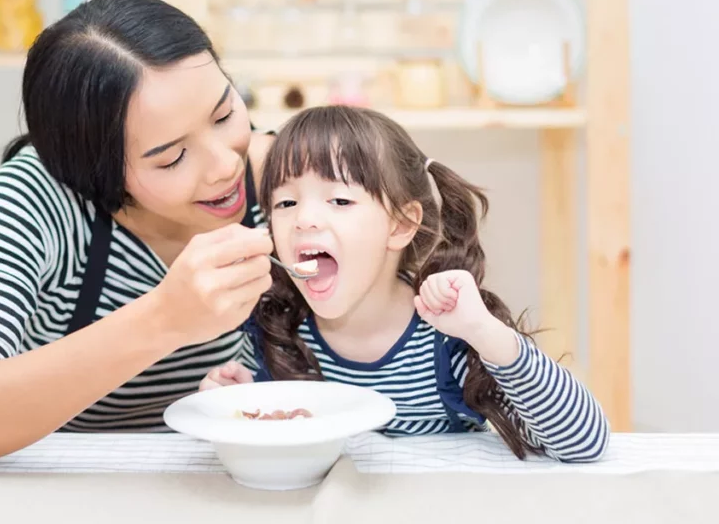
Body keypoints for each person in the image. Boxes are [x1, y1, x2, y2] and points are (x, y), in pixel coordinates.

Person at [0, 0, 278, 473]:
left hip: (212, 481)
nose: (226, 164)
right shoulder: (37, 199)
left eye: (225, 114)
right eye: (171, 157)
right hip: (50, 486)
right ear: (92, 169)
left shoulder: (278, 178)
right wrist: (165, 319)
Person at [200, 106, 610, 462]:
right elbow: (274, 450)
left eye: (339, 200)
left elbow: (584, 442)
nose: (304, 219)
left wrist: (484, 332)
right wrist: (235, 402)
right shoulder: (276, 331)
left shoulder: (446, 339)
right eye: (285, 203)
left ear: (400, 224)